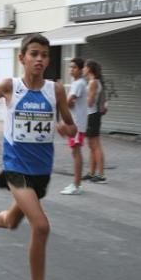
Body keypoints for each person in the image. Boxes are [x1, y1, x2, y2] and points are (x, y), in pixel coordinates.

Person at [0, 33, 77, 280]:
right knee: (41, 226)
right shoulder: (11, 87)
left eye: (44, 54)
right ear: (22, 58)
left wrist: (66, 128)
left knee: (13, 221)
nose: (40, 59)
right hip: (15, 167)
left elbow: (70, 123)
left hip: (41, 170)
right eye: (34, 54)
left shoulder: (55, 90)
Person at [61, 57, 87, 195]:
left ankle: (76, 185)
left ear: (81, 69)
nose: (71, 70)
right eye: (70, 67)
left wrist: (62, 102)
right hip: (78, 123)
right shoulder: (79, 83)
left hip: (76, 124)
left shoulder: (78, 84)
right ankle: (76, 183)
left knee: (76, 153)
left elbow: (69, 102)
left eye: (74, 67)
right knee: (75, 152)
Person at [82, 59, 106, 183]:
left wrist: (80, 99)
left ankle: (101, 175)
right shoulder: (96, 82)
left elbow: (90, 102)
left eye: (85, 67)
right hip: (92, 115)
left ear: (89, 69)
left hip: (92, 115)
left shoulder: (93, 83)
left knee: (95, 145)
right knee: (92, 146)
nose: (83, 69)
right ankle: (91, 173)